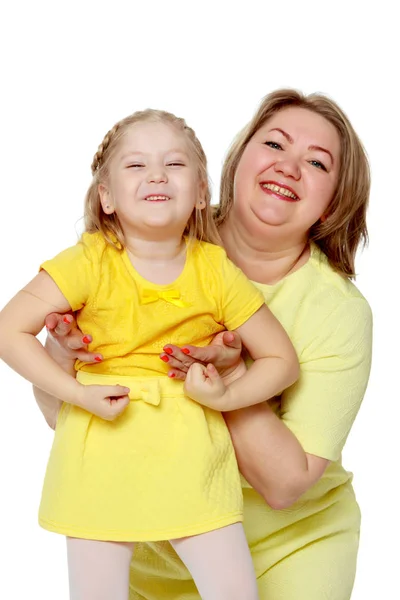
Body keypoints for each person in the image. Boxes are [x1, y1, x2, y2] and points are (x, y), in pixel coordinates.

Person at [36, 89, 372, 600]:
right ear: (236, 161)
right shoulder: (149, 235)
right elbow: (63, 416)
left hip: (289, 543)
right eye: (275, 144)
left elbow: (285, 485)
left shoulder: (336, 311)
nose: (288, 167)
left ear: (333, 205)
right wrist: (64, 356)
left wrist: (232, 375)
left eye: (317, 163)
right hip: (151, 536)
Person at [0, 109, 300, 600]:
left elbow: (281, 361)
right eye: (136, 166)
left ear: (202, 192)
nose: (157, 175)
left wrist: (225, 396)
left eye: (175, 165)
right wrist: (77, 393)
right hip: (98, 454)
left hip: (192, 458)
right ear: (107, 197)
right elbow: (9, 330)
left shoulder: (215, 269)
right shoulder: (88, 261)